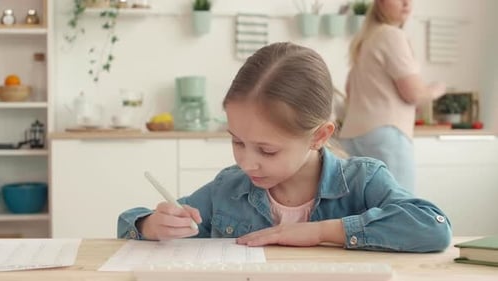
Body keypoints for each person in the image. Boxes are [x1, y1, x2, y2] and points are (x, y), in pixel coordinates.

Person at [118, 42, 451, 252]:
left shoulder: (363, 181)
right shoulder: (228, 188)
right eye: (237, 141)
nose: (247, 163)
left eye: (267, 150)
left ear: (319, 136)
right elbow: (127, 223)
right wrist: (151, 225)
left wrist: (321, 232)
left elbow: (432, 227)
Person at [338, 0, 446, 193]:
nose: (406, 3)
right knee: (399, 208)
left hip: (352, 136)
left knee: (361, 209)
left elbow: (349, 91)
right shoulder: (391, 35)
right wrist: (436, 89)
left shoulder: (364, 41)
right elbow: (413, 93)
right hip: (386, 135)